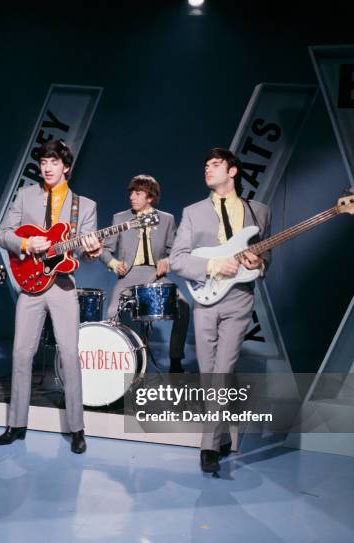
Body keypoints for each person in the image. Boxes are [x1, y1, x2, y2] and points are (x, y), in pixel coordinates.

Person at [0, 139, 101, 454]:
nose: (47, 167)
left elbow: (86, 252)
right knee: (21, 353)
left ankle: (77, 428)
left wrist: (93, 249)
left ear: (65, 166)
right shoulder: (25, 196)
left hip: (62, 285)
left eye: (54, 162)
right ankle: (16, 424)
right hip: (29, 283)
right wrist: (27, 245)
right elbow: (3, 233)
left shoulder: (85, 205)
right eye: (43, 161)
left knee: (69, 354)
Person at [169, 148, 271, 473]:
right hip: (205, 299)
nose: (207, 170)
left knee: (223, 370)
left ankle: (207, 447)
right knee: (207, 372)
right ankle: (223, 435)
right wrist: (214, 263)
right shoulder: (193, 212)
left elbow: (266, 256)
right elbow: (177, 260)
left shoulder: (259, 212)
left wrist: (261, 262)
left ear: (233, 171)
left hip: (240, 299)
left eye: (215, 165)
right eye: (205, 165)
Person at [98, 174, 189, 372]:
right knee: (112, 311)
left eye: (138, 193)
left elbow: (176, 250)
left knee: (183, 305)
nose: (132, 197)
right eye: (131, 192)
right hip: (129, 275)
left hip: (156, 275)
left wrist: (167, 260)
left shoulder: (166, 219)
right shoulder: (120, 218)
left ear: (150, 197)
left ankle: (175, 360)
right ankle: (119, 365)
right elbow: (104, 249)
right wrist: (112, 262)